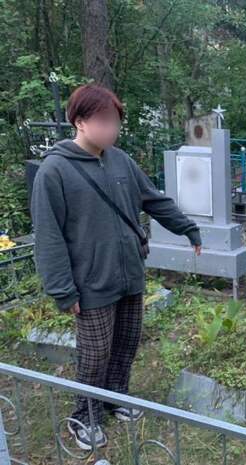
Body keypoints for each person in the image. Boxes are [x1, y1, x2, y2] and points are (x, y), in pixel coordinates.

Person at [31, 84, 202, 451]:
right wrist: (62, 290)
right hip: (90, 282)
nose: (113, 129)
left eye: (116, 122)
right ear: (79, 121)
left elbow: (154, 200)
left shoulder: (120, 160)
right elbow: (48, 236)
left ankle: (116, 396)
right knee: (95, 354)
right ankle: (85, 415)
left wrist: (188, 228)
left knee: (126, 343)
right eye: (105, 121)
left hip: (129, 273)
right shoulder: (55, 171)